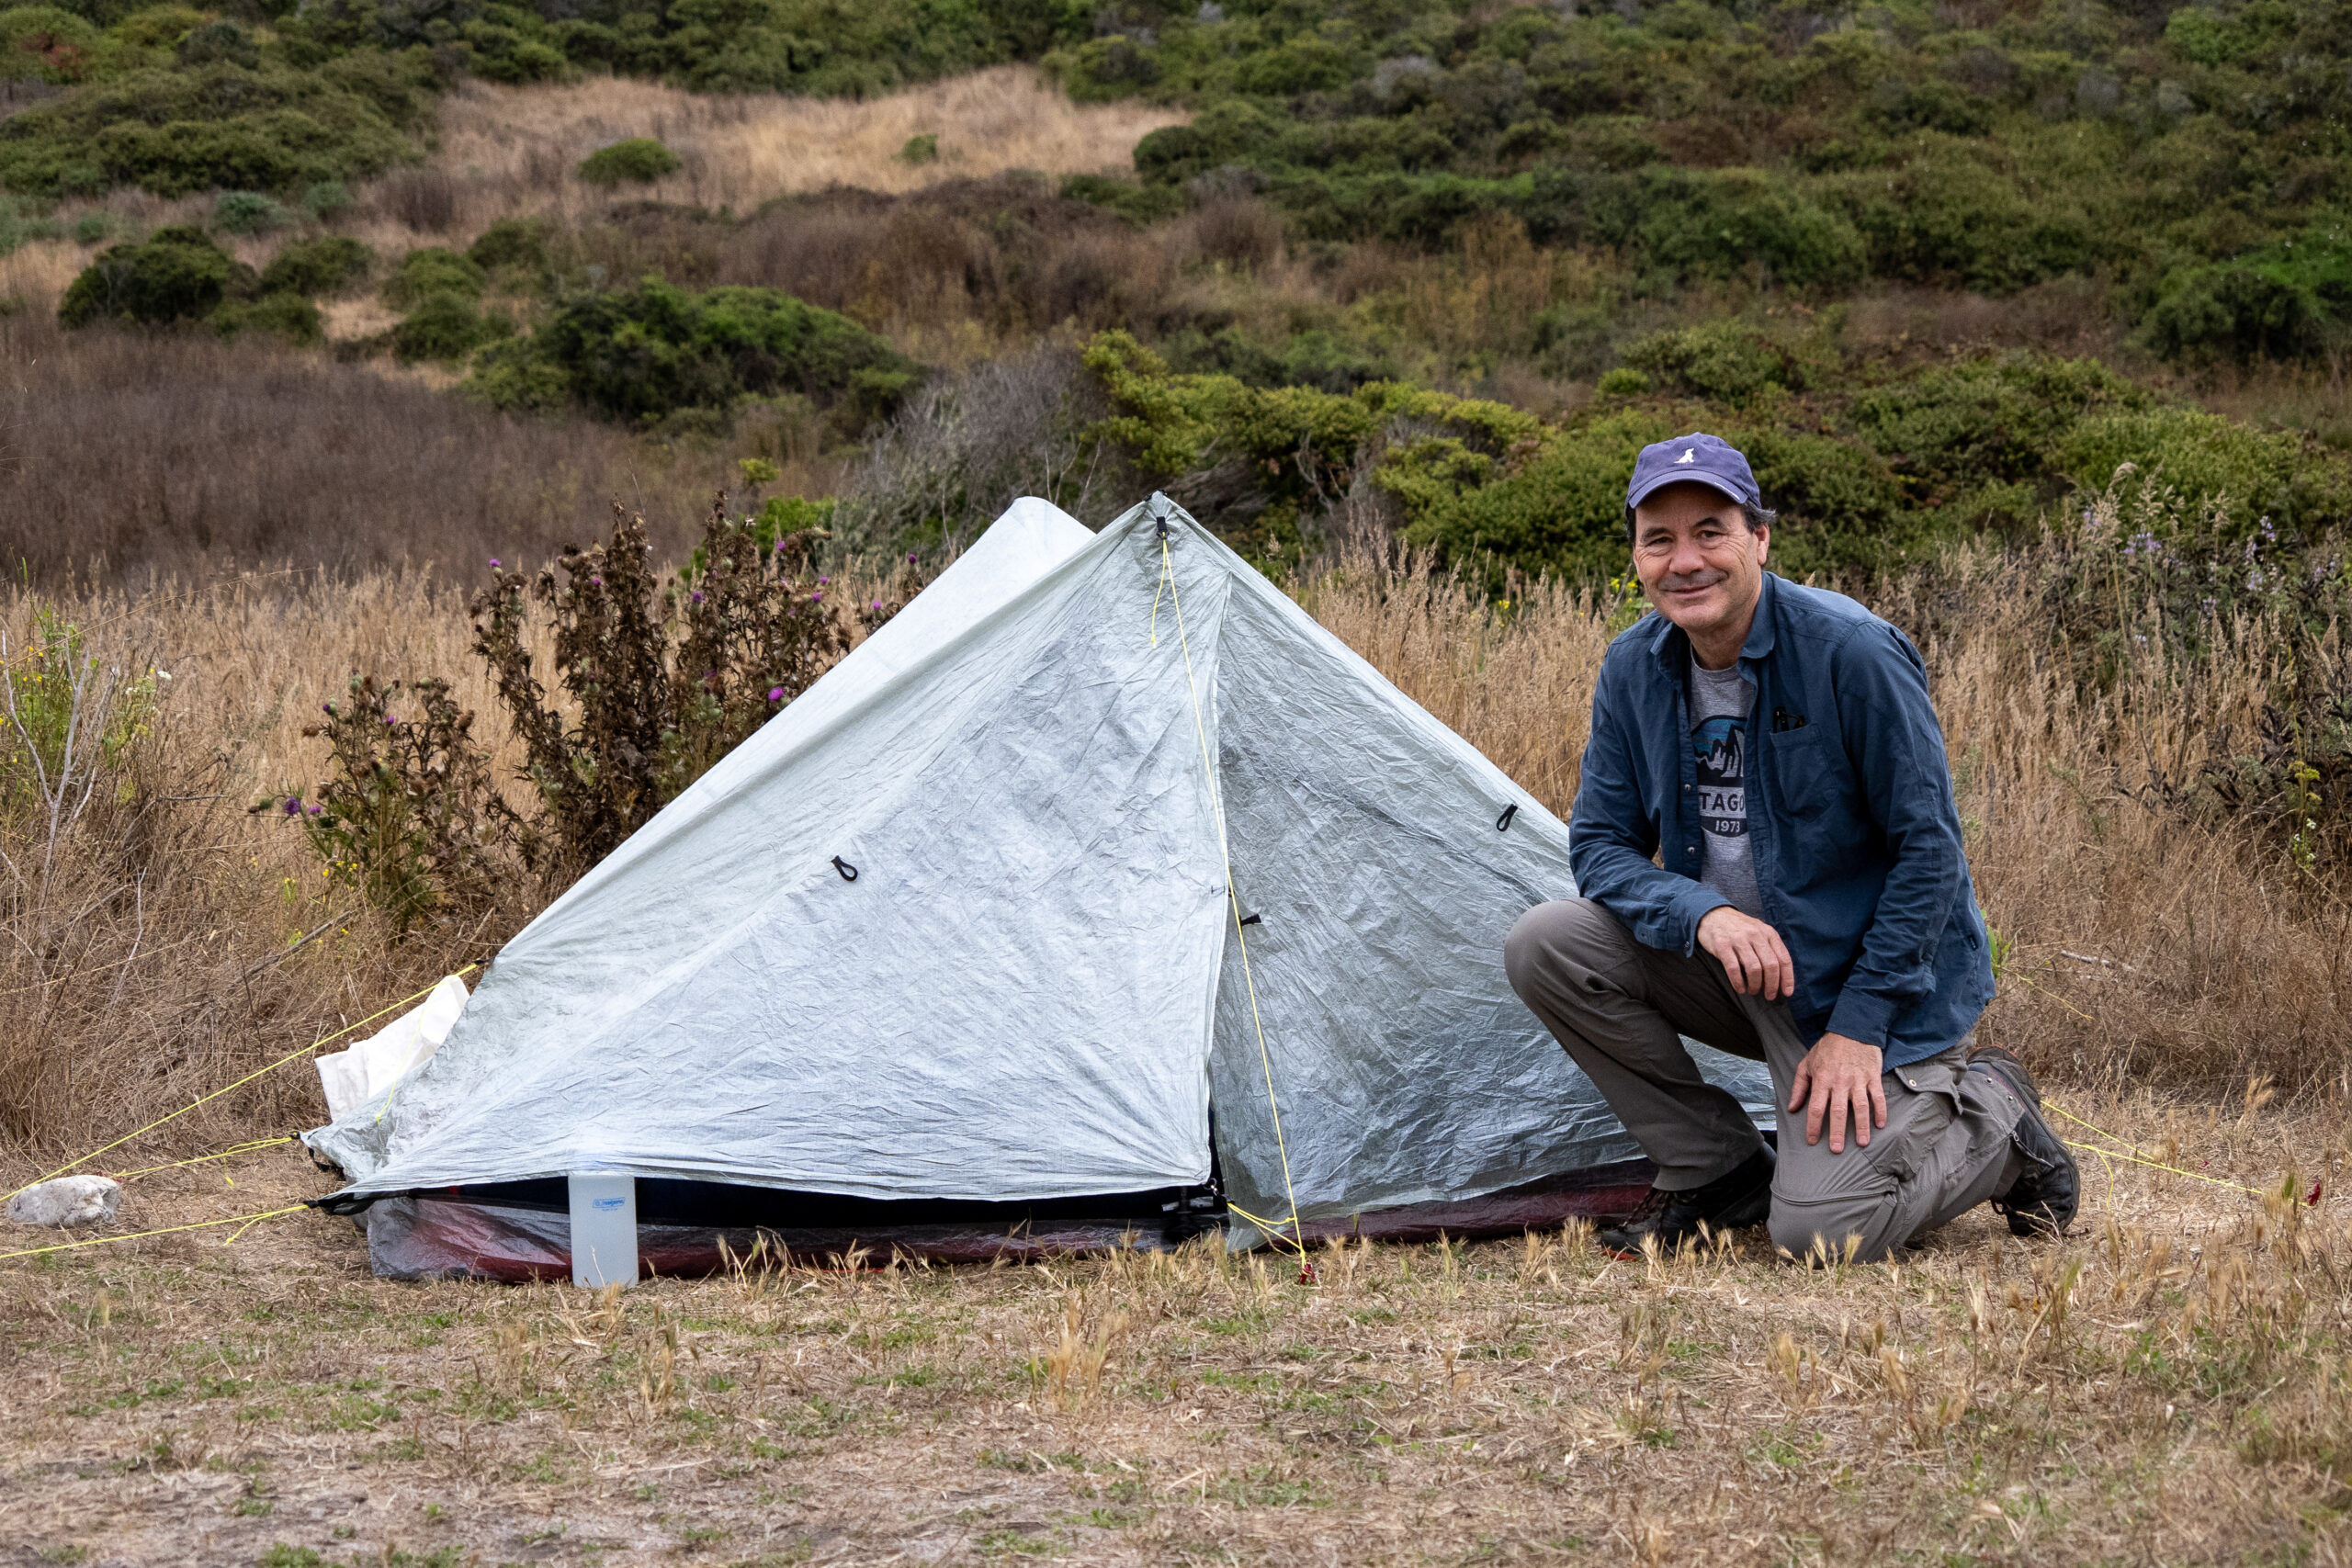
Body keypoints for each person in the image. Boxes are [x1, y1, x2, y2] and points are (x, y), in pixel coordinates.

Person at [1503, 434, 2078, 1262]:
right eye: (1658, 539)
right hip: (1747, 975)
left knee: (1821, 1232)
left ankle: (1996, 1114)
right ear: (1635, 555)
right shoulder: (1633, 667)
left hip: (1874, 993)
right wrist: (1703, 912)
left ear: (1760, 538)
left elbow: (1930, 854)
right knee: (1547, 944)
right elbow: (1600, 845)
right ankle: (1715, 1166)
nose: (1685, 560)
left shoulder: (1853, 651)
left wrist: (1860, 1026)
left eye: (1711, 531)